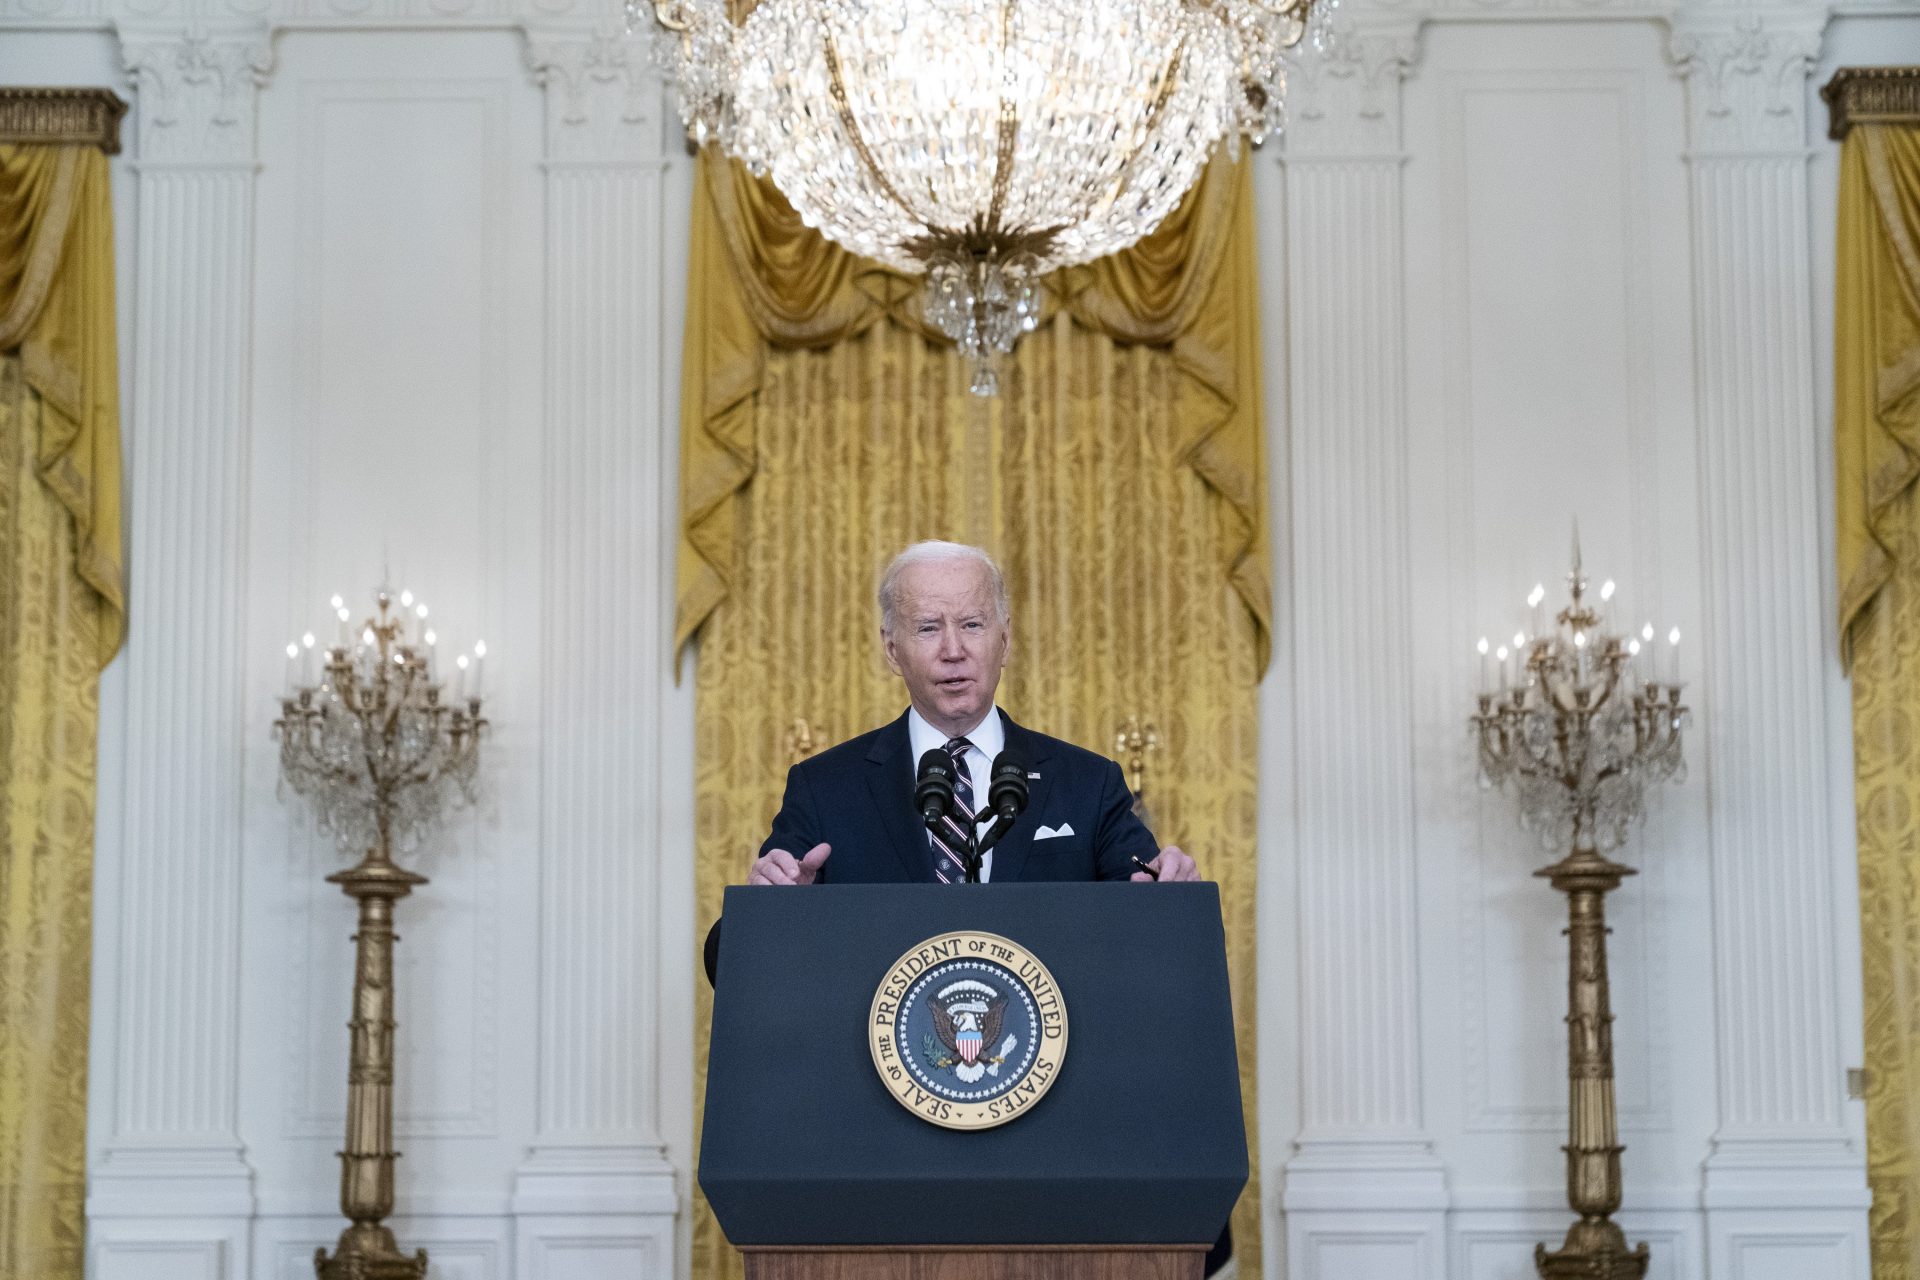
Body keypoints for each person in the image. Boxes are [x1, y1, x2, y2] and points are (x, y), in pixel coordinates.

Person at [749, 541, 1199, 886]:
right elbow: (734, 950)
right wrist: (779, 907)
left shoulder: (1088, 785)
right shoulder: (825, 789)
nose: (953, 650)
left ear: (1003, 642)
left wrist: (1172, 890)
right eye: (928, 628)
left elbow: (1150, 922)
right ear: (892, 651)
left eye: (972, 625)